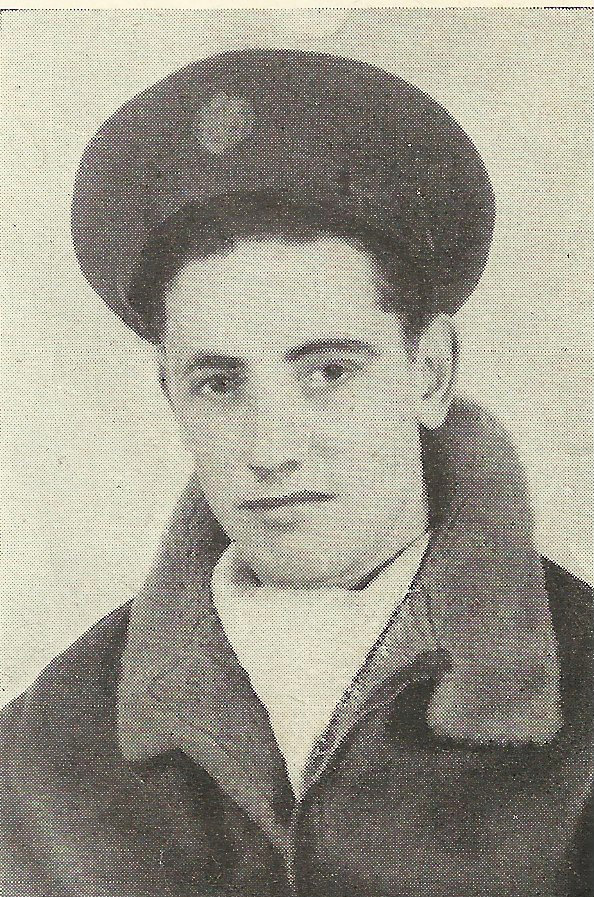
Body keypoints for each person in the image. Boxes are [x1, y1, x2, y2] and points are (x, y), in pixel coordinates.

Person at [1, 48, 592, 897]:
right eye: (220, 382)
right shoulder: (46, 746)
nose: (272, 447)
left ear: (429, 372)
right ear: (170, 394)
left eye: (328, 371)